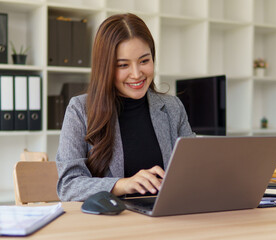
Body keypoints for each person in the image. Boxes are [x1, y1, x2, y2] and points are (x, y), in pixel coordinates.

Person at [55, 13, 195, 201]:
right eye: (123, 65)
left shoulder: (172, 107)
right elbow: (68, 185)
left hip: (167, 218)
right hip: (113, 222)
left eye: (144, 61)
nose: (137, 74)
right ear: (105, 68)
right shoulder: (80, 110)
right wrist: (122, 184)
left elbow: (195, 169)